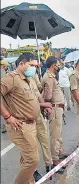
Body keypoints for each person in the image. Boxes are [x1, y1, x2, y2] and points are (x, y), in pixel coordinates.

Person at [1, 52, 41, 184]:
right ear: (21, 64)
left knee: (26, 159)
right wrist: (8, 116)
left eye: (36, 66)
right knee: (32, 160)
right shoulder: (11, 78)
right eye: (31, 65)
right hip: (21, 126)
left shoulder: (27, 78)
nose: (34, 68)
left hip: (31, 124)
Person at [41, 56, 68, 171]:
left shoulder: (51, 76)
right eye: (57, 64)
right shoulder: (49, 77)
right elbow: (48, 96)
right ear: (53, 65)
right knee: (55, 134)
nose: (59, 66)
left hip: (58, 108)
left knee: (59, 132)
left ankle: (59, 151)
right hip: (55, 108)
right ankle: (54, 157)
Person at [1, 59, 9, 133]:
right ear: (3, 66)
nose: (7, 67)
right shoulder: (3, 73)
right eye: (6, 66)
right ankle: (4, 127)